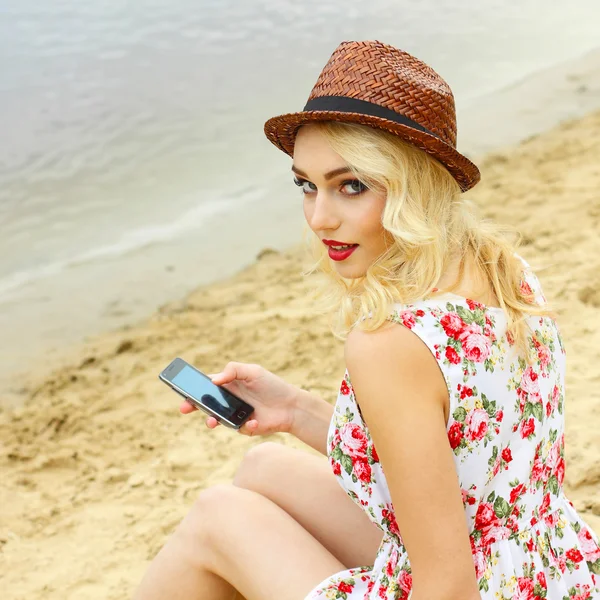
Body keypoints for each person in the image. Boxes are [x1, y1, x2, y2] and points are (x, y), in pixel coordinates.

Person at [133, 40, 600, 600]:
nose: (319, 218)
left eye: (350, 185)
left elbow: (448, 586)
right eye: (306, 184)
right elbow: (463, 457)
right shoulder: (505, 270)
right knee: (262, 467)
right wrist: (295, 410)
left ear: (414, 187)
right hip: (545, 563)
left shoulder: (391, 343)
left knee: (217, 517)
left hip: (472, 583)